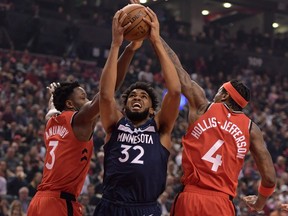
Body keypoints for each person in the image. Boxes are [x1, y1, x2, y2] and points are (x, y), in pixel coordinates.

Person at [27, 32, 142, 216]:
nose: (89, 101)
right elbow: (106, 92)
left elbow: (52, 110)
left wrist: (52, 99)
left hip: (38, 202)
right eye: (84, 98)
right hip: (59, 204)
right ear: (70, 105)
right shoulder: (78, 120)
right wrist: (128, 50)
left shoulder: (51, 123)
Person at [158, 39, 277, 215]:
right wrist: (260, 203)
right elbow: (269, 178)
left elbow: (179, 71)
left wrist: (156, 38)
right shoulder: (251, 129)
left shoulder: (203, 107)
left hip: (190, 198)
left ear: (224, 95)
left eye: (219, 90)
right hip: (221, 204)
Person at [93, 7, 181, 216]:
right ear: (124, 107)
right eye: (132, 96)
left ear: (152, 109)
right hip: (111, 205)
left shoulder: (161, 129)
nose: (136, 98)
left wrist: (156, 41)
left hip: (145, 208)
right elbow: (105, 95)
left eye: (143, 97)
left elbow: (175, 90)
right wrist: (117, 45)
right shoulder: (115, 124)